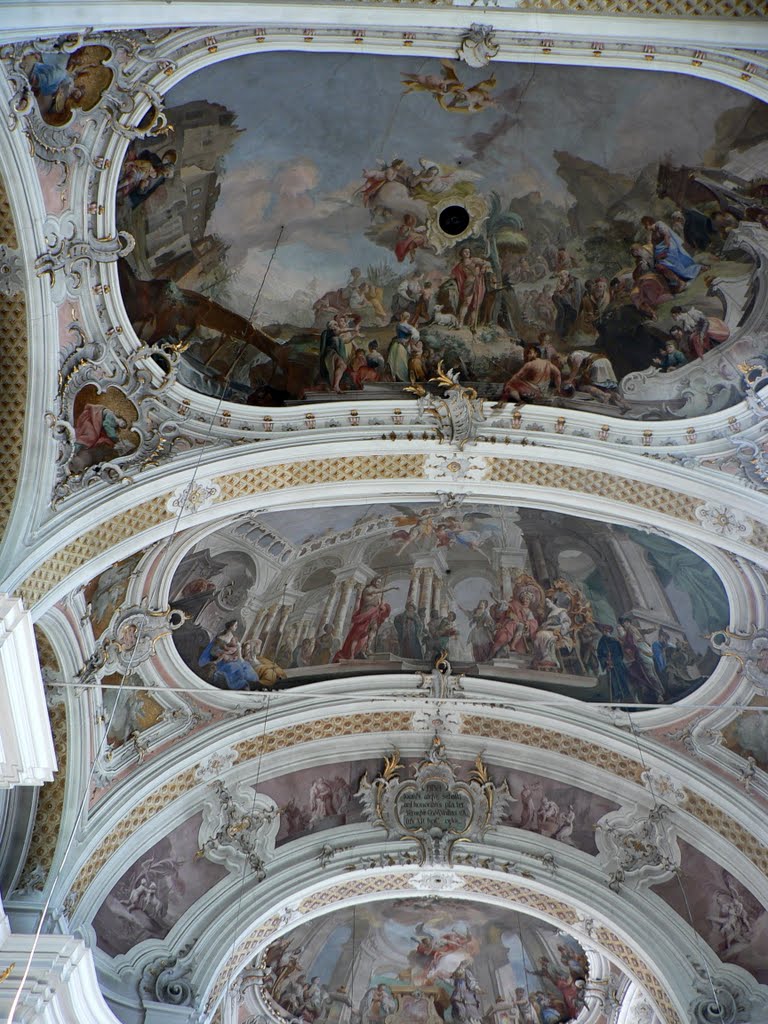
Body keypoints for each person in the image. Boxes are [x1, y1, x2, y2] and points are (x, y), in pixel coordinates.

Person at [333, 577, 395, 662]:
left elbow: (380, 603)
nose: (378, 583)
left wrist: (383, 606)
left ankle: (366, 649)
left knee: (373, 630)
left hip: (374, 614)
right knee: (357, 636)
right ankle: (351, 655)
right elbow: (376, 592)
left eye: (380, 582)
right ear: (373, 581)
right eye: (377, 581)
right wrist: (391, 588)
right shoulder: (367, 589)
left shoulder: (378, 594)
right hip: (365, 614)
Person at [641, 216, 703, 293]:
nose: (644, 227)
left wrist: (665, 251)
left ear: (647, 223)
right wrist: (655, 258)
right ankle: (678, 282)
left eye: (644, 225)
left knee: (665, 266)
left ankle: (681, 282)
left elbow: (667, 236)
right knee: (658, 267)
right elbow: (654, 247)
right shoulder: (653, 233)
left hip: (669, 251)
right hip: (660, 254)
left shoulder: (659, 224)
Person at [198, 620, 259, 690]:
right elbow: (213, 651)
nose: (236, 627)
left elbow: (232, 649)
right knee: (234, 667)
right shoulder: (222, 636)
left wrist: (230, 653)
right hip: (219, 657)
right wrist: (224, 652)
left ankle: (244, 680)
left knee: (243, 667)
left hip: (229, 657)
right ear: (230, 626)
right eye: (235, 625)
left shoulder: (232, 637)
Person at [452, 247, 492, 330]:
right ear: (461, 253)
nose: (467, 253)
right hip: (469, 283)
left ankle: (472, 324)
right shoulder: (460, 265)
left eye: (468, 251)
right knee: (466, 302)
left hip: (478, 283)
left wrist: (484, 267)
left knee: (476, 305)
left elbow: (488, 263)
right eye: (465, 251)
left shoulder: (474, 260)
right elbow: (455, 274)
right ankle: (460, 322)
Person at [596, 623, 635, 704]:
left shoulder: (615, 641)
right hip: (610, 667)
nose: (607, 632)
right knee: (614, 683)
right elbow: (600, 655)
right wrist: (606, 662)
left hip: (618, 664)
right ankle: (617, 698)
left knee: (624, 680)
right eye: (605, 631)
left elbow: (620, 653)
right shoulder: (601, 643)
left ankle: (628, 697)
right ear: (603, 632)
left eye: (608, 631)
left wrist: (615, 661)